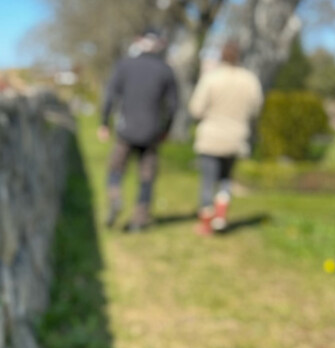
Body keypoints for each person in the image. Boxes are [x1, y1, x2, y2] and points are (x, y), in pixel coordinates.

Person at [99, 27, 178, 231]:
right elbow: (172, 106)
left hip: (126, 130)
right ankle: (139, 219)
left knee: (116, 168)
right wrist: (165, 130)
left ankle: (115, 195)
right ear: (159, 43)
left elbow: (110, 95)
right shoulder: (165, 70)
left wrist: (104, 122)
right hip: (152, 132)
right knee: (147, 177)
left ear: (138, 40)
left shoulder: (125, 65)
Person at [188, 40, 263, 234]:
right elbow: (256, 108)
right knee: (225, 179)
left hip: (211, 137)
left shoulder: (211, 78)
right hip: (236, 137)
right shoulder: (249, 79)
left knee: (208, 180)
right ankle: (220, 216)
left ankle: (206, 223)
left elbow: (196, 108)